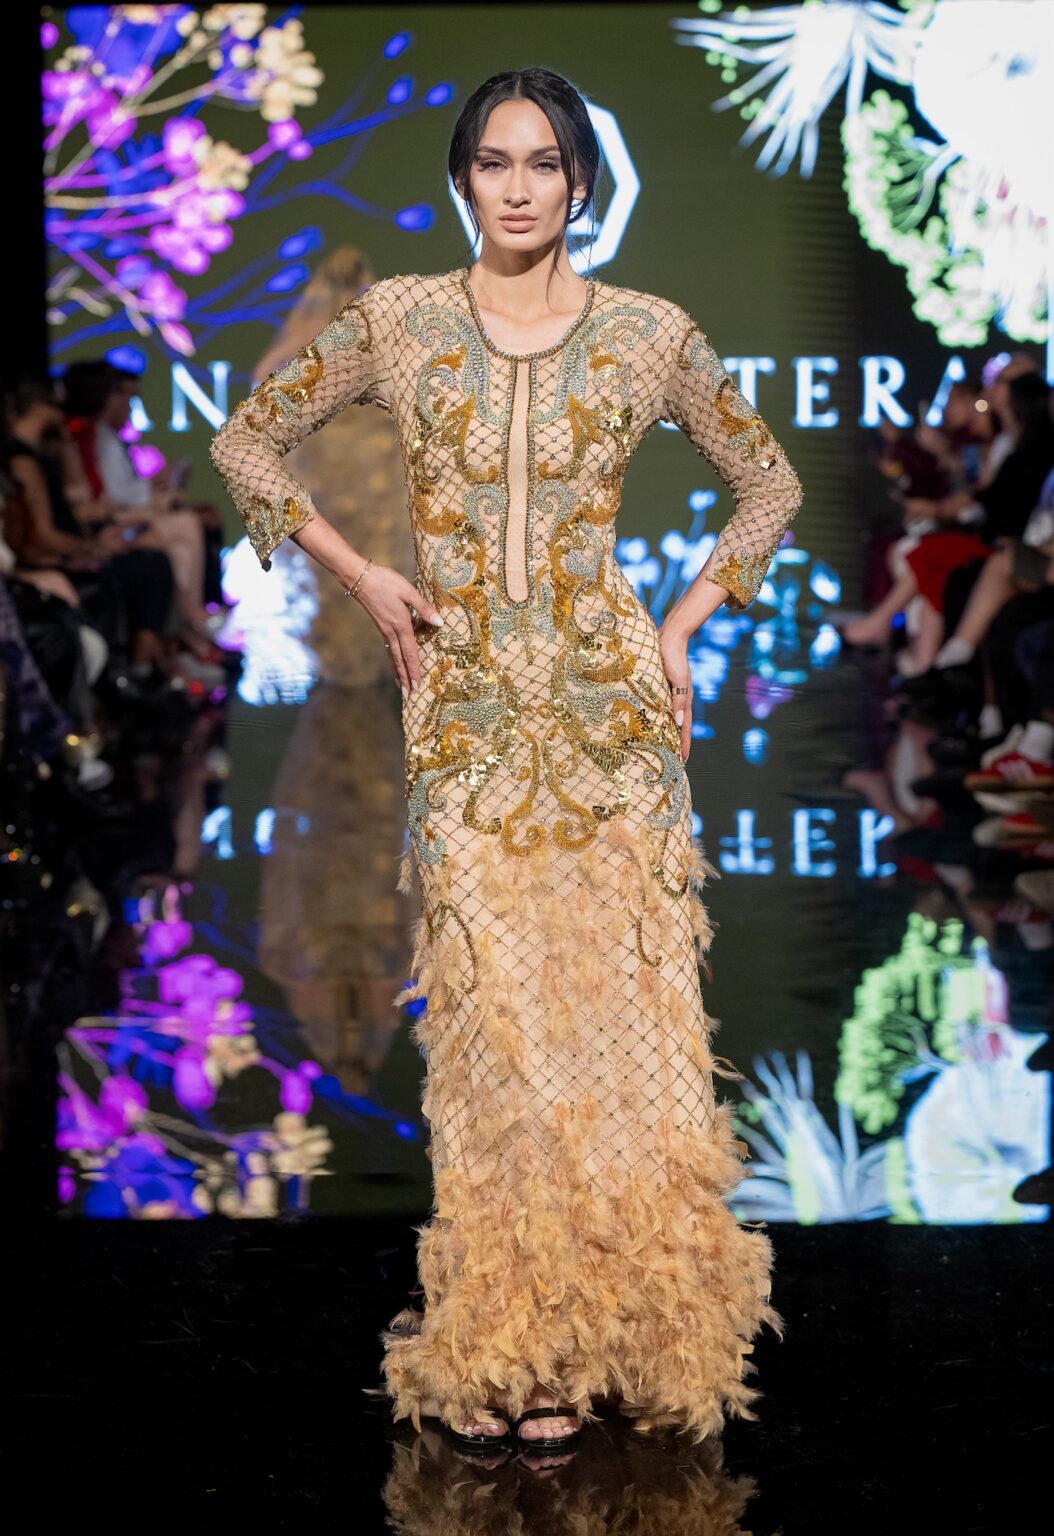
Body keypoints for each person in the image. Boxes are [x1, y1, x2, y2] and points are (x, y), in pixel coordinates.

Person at [210, 68, 802, 1453]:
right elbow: (248, 439)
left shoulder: (648, 333)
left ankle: (633, 1339)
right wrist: (360, 576)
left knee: (623, 1036)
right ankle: (518, 1342)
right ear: (464, 178)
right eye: (494, 162)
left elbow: (766, 481)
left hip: (606, 720)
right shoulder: (401, 323)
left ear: (580, 180)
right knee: (500, 1042)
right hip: (468, 715)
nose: (520, 186)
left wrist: (677, 623)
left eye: (544, 162)